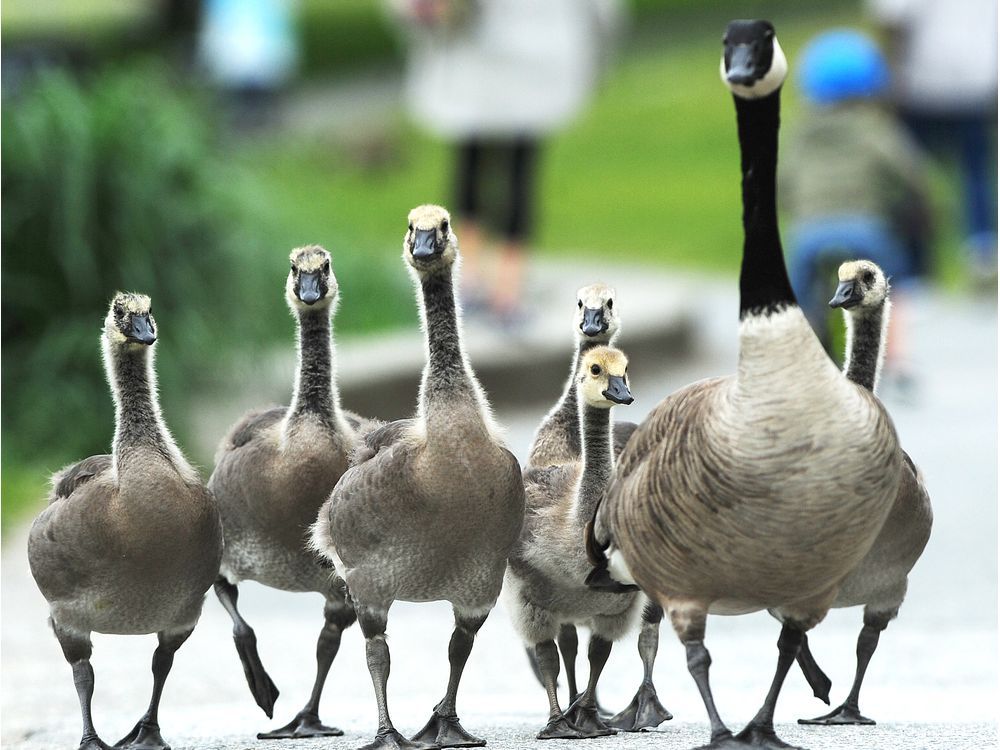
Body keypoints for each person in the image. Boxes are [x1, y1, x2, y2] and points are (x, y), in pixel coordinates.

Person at [391, 0, 624, 323]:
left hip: (497, 52)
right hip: (518, 49)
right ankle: (494, 286)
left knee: (484, 166)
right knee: (506, 168)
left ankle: (483, 282)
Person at [779, 29, 931, 387]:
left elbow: (782, 181)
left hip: (809, 233)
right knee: (893, 281)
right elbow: (907, 172)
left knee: (797, 294)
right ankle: (898, 360)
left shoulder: (800, 133)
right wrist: (917, 204)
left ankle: (803, 356)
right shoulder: (875, 128)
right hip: (866, 228)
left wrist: (794, 209)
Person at [867, 0, 998, 285]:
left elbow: (894, 20)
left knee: (909, 171)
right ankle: (982, 248)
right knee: (975, 169)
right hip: (978, 77)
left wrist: (889, 78)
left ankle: (917, 262)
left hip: (921, 83)